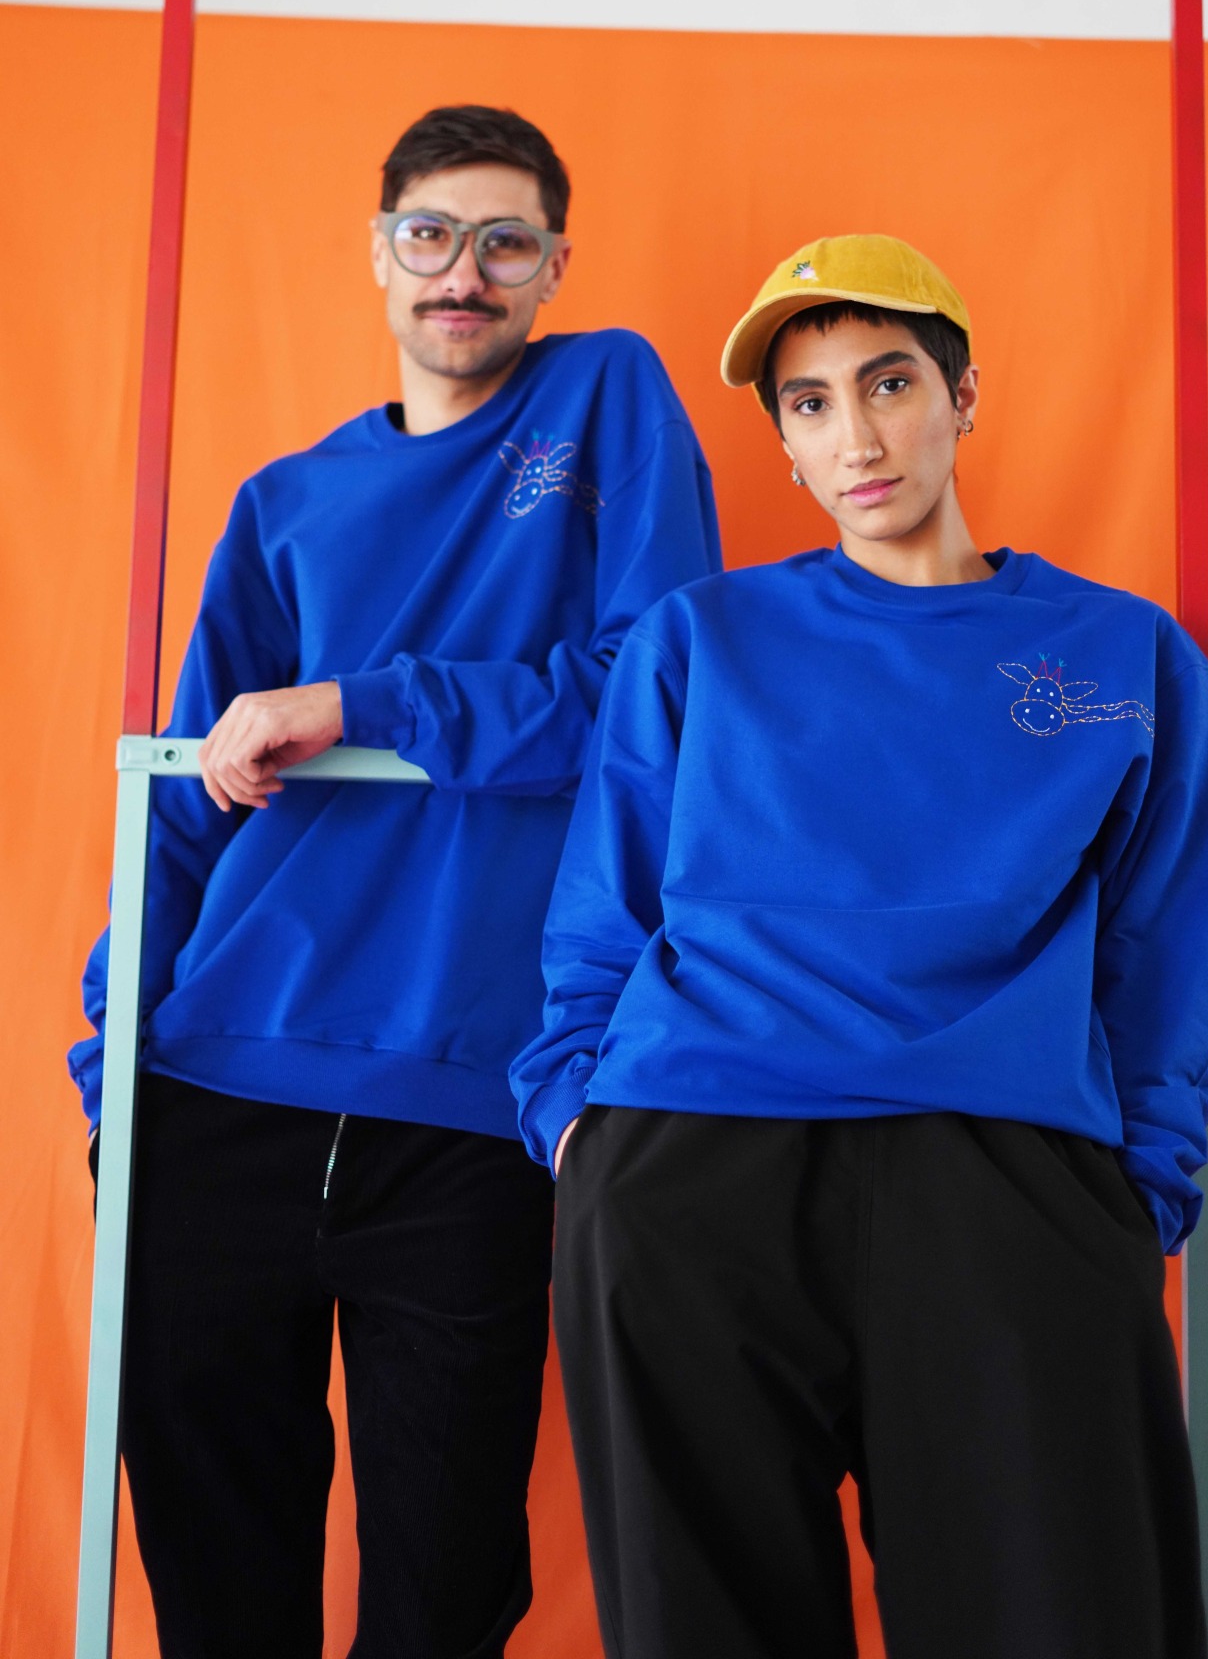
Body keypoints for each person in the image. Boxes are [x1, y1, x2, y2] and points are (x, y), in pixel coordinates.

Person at [511, 233, 1208, 1659]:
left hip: (1006, 1175)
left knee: (1062, 1619)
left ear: (963, 397)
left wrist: (1140, 1192)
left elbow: (1159, 954)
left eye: (889, 383)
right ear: (784, 444)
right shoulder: (699, 637)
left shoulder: (1125, 654)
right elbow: (602, 912)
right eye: (811, 402)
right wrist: (579, 1131)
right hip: (693, 1167)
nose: (857, 435)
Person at [70, 103, 721, 1659]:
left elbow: (656, 697)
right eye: (431, 235)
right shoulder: (284, 501)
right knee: (219, 1586)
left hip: (473, 1103)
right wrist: (112, 1064)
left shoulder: (605, 395)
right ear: (379, 254)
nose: (464, 272)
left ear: (555, 264)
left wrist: (362, 704)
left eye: (506, 242)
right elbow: (188, 795)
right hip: (214, 1086)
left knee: (440, 1591)